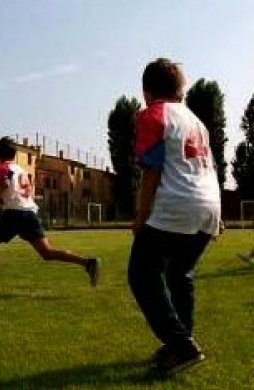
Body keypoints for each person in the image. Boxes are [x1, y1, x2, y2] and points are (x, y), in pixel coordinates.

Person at [128, 58, 221, 375]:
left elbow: (152, 170)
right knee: (180, 274)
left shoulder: (153, 114)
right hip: (209, 204)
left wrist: (141, 216)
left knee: (141, 273)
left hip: (178, 205)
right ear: (181, 90)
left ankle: (181, 345)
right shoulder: (196, 120)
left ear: (147, 91)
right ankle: (181, 343)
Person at [0, 136, 101, 292]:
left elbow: (5, 185)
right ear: (14, 154)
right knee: (47, 252)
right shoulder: (21, 170)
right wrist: (0, 200)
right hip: (29, 214)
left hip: (13, 215)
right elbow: (16, 193)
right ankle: (87, 263)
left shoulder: (2, 168)